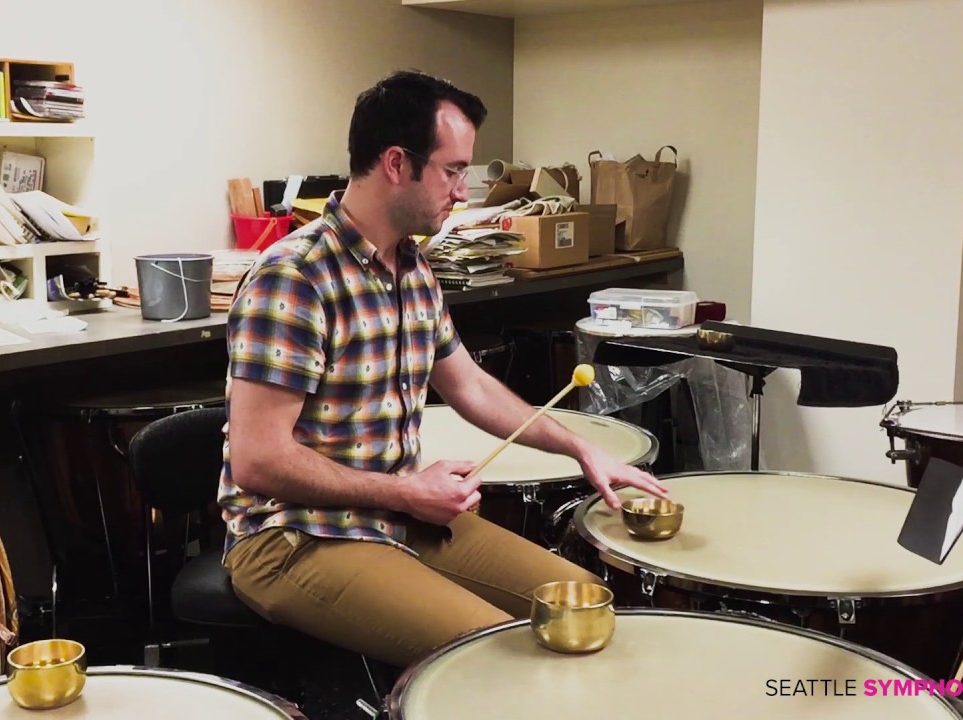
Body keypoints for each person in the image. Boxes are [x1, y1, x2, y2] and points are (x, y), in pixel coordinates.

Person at [218, 69, 668, 669]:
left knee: (586, 610)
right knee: (498, 658)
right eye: (454, 170)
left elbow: (470, 385)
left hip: (395, 514)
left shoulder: (412, 266)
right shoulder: (294, 278)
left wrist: (579, 449)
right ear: (398, 164)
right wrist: (406, 489)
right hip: (293, 538)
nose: (463, 191)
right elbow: (259, 458)